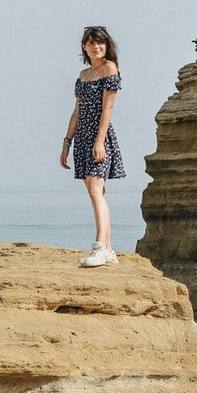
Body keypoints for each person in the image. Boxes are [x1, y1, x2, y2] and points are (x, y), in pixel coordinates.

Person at [60, 25, 124, 266]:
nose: (95, 46)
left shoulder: (110, 69)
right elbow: (76, 111)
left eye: (100, 43)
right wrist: (67, 143)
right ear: (84, 47)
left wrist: (99, 142)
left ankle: (101, 248)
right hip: (82, 138)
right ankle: (109, 249)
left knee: (96, 191)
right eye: (91, 43)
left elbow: (108, 109)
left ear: (106, 45)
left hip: (100, 137)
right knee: (98, 192)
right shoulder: (83, 75)